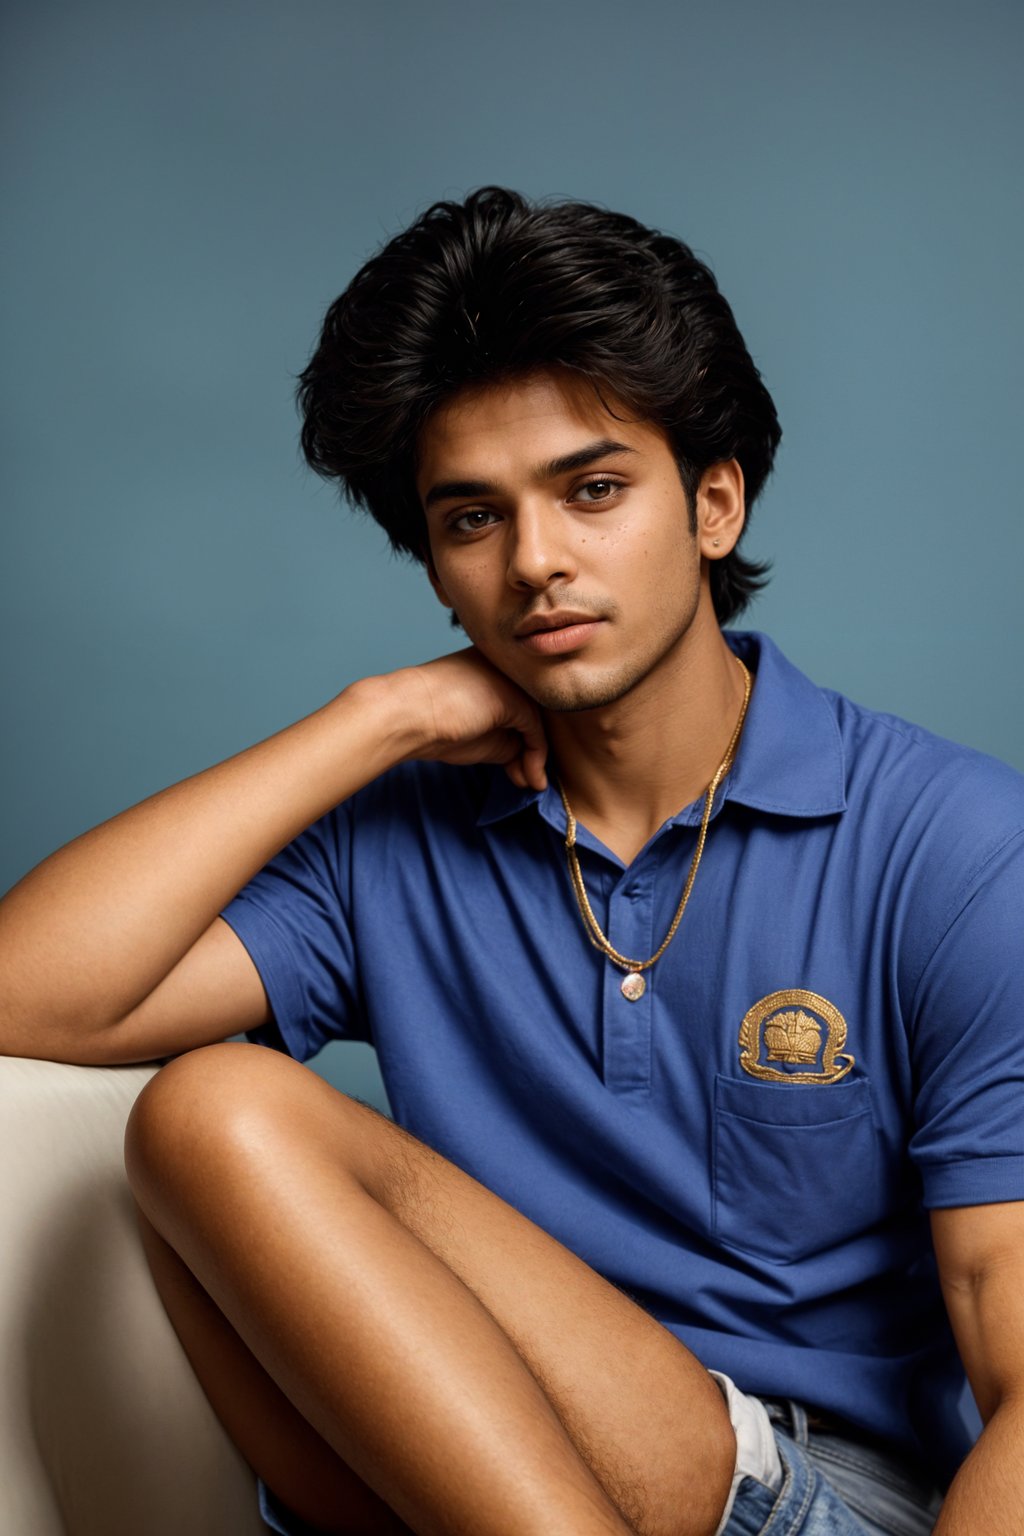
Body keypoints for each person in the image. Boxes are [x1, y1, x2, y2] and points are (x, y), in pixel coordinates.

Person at [1, 185, 1022, 1536]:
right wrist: (386, 717)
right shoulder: (390, 838)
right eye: (472, 519)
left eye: (593, 491)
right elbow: (27, 1001)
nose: (536, 562)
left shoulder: (948, 846)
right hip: (487, 1489)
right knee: (200, 1115)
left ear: (714, 504)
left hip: (811, 1499)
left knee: (216, 1108)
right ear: (434, 564)